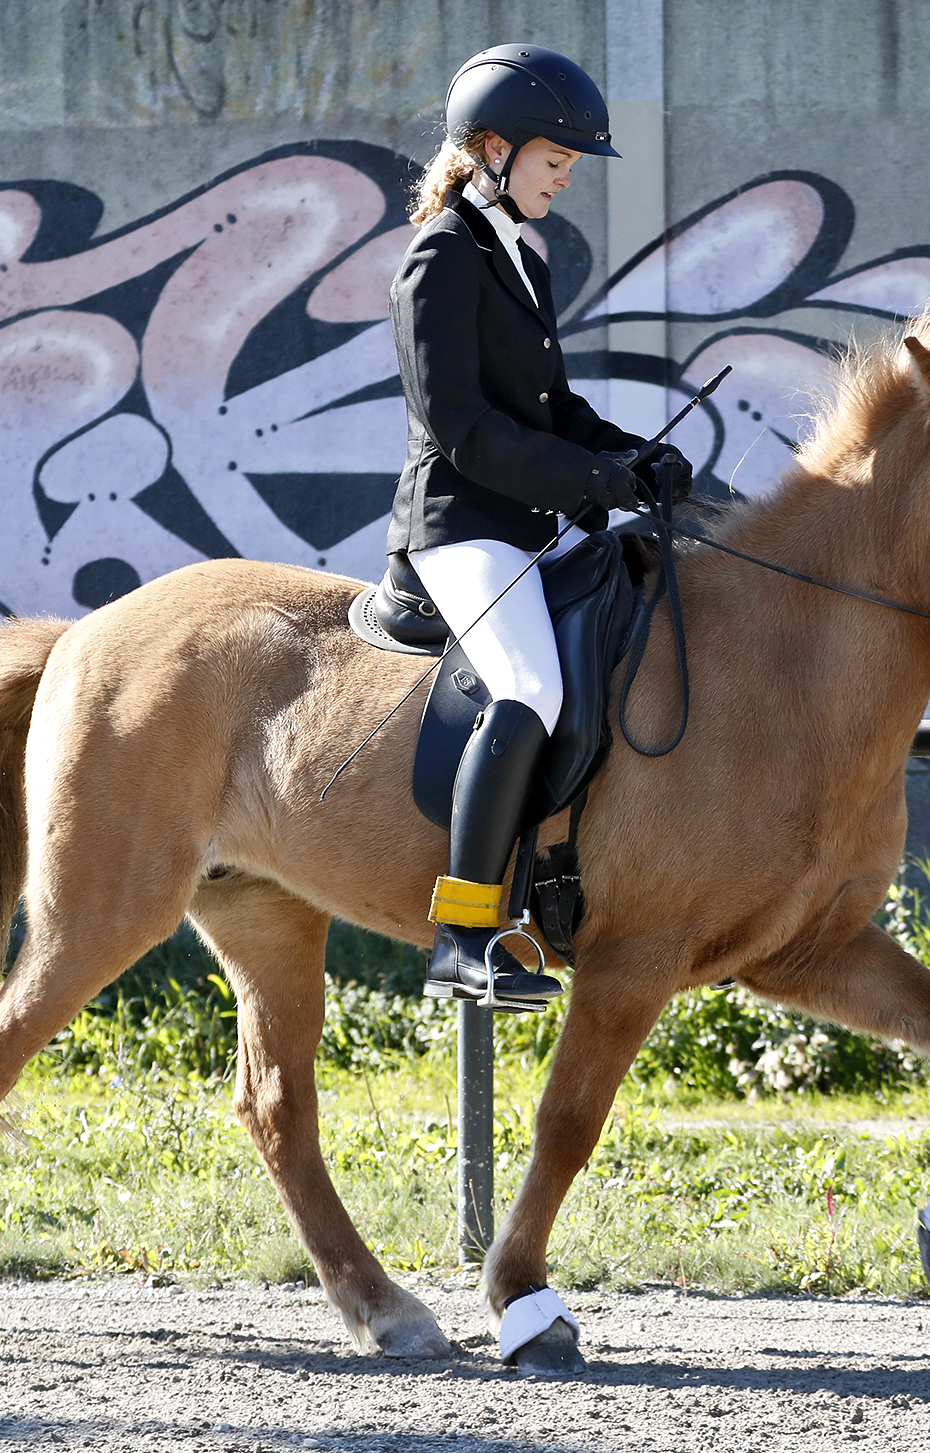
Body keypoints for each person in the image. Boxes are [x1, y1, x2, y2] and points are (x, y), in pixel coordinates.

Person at [389, 43, 686, 1011]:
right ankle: (463, 933)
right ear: (488, 148)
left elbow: (550, 410)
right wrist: (591, 477)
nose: (566, 174)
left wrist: (635, 457)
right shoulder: (440, 256)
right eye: (555, 157)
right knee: (527, 687)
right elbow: (465, 429)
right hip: (460, 524)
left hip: (524, 521)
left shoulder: (522, 253)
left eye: (568, 160)